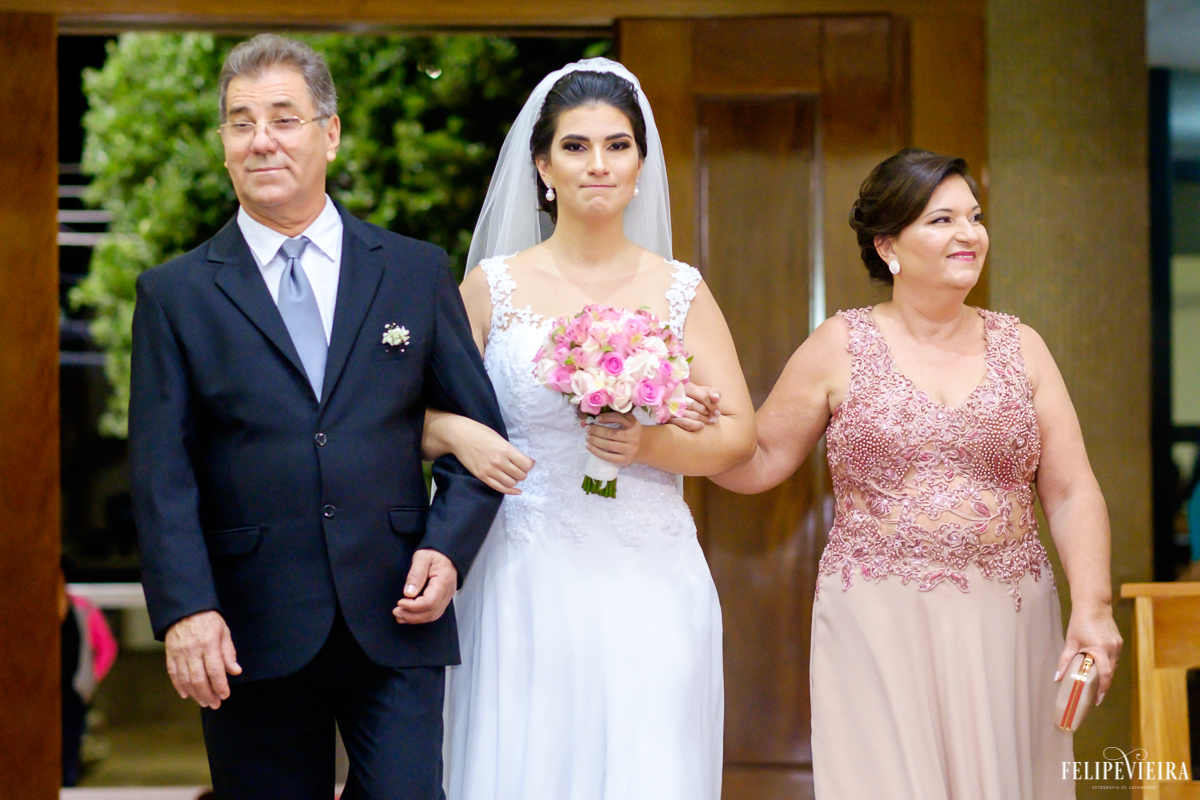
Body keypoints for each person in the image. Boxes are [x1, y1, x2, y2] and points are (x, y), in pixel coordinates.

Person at [128, 34, 505, 798]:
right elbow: (161, 472)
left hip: (397, 611)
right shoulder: (174, 296)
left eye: (283, 118)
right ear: (224, 144)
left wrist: (448, 549)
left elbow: (478, 436)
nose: (261, 139)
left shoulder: (413, 269)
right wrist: (186, 611)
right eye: (240, 122)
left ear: (329, 133)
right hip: (247, 627)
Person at [707, 148, 1122, 799]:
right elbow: (757, 459)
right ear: (889, 244)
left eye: (975, 216)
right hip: (878, 619)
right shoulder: (840, 345)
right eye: (942, 219)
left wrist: (1093, 606)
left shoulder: (1023, 346)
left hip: (1007, 618)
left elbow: (1071, 491)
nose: (968, 233)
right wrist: (664, 435)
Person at [422, 60, 756, 800]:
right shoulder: (492, 287)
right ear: (541, 165)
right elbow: (406, 412)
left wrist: (650, 444)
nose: (597, 164)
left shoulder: (680, 289)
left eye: (617, 145)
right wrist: (461, 434)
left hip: (651, 573)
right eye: (575, 147)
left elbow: (738, 434)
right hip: (522, 568)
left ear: (641, 163)